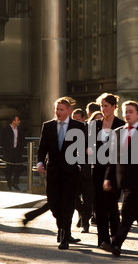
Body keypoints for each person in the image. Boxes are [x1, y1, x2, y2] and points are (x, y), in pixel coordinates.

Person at [103, 101, 138, 257]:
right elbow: (112, 158)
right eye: (126, 111)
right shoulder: (118, 132)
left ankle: (116, 244)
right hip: (122, 179)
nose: (127, 114)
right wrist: (108, 178)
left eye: (131, 111)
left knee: (126, 212)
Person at [37, 97, 85, 250]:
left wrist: (79, 163)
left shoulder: (79, 126)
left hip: (71, 173)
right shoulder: (48, 126)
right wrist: (40, 162)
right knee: (53, 203)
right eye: (56, 109)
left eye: (61, 110)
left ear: (69, 111)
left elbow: (83, 148)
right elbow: (42, 147)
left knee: (67, 205)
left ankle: (65, 235)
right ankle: (61, 227)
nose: (58, 112)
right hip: (53, 172)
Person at [89, 93, 125, 249]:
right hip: (97, 170)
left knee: (112, 205)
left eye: (106, 106)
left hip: (115, 170)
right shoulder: (94, 124)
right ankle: (103, 240)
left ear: (114, 107)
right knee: (99, 206)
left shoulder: (121, 124)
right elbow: (89, 144)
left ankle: (116, 239)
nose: (103, 109)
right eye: (101, 106)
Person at [0, 115, 26, 191]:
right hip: (8, 152)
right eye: (18, 120)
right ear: (13, 121)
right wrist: (6, 149)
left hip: (17, 152)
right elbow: (2, 140)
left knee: (19, 168)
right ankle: (9, 184)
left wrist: (21, 149)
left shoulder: (20, 130)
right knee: (8, 169)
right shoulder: (5, 129)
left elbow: (22, 140)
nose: (19, 122)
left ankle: (15, 183)